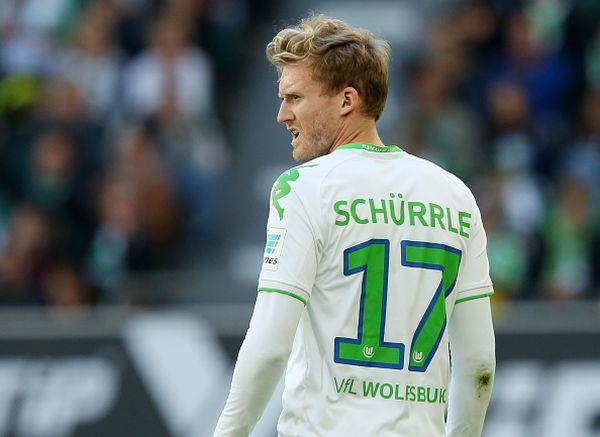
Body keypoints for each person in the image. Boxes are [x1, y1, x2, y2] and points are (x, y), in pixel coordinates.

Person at [214, 15, 495, 437]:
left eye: (294, 98)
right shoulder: (455, 196)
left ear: (347, 100)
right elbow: (478, 365)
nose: (281, 115)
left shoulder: (304, 187)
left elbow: (269, 347)